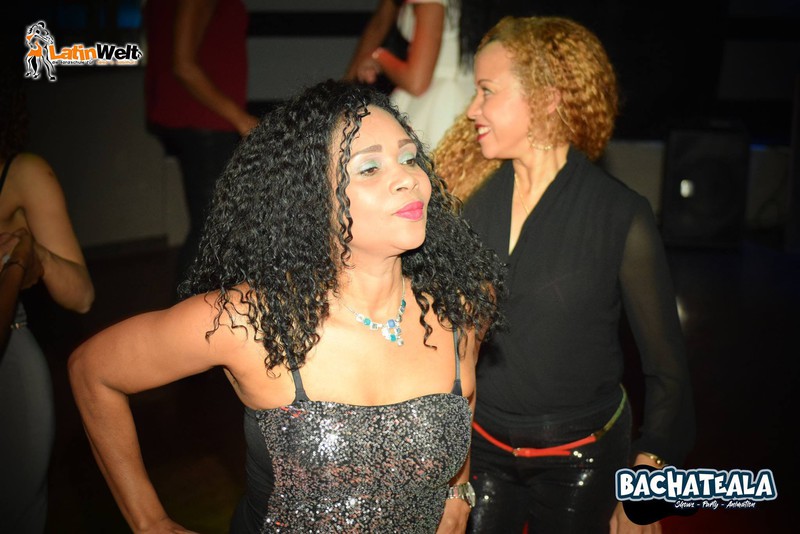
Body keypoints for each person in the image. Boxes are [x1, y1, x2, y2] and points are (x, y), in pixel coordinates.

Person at [68, 79, 504, 533]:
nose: (408, 179)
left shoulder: (458, 308)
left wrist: (458, 489)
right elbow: (94, 371)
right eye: (370, 167)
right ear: (313, 199)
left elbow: (462, 402)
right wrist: (149, 521)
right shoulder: (251, 321)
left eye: (410, 158)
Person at [434, 16, 695, 533]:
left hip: (583, 460)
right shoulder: (466, 203)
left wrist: (650, 478)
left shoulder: (619, 215)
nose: (472, 110)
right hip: (480, 454)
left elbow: (668, 370)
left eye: (487, 91)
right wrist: (450, 478)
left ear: (547, 99)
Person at [0, 66, 95, 533]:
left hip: (8, 355)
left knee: (16, 511)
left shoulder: (23, 174)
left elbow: (81, 296)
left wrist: (32, 256)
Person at [144, 0, 259, 289]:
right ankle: (185, 311)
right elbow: (183, 66)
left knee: (213, 227)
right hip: (204, 121)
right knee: (213, 229)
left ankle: (196, 307)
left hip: (198, 119)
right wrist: (241, 119)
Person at [345, 0, 473, 149]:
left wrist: (378, 57)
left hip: (440, 100)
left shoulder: (430, 3)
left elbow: (416, 82)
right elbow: (379, 22)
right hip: (460, 91)